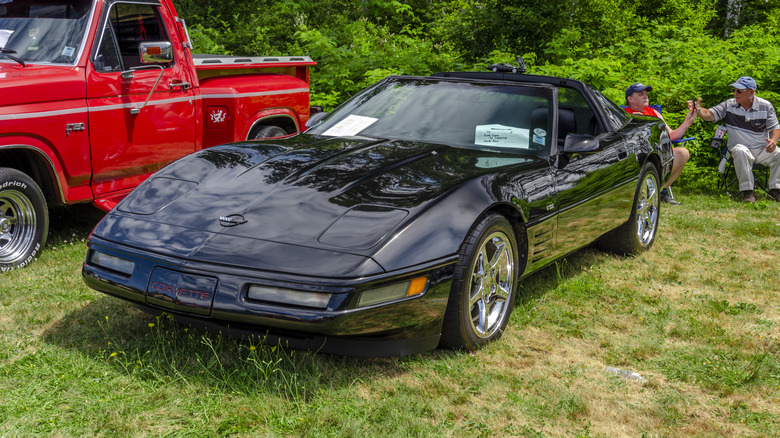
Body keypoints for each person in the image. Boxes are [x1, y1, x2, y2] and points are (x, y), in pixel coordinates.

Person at [696, 76, 780, 203]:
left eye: (739, 91)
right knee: (741, 150)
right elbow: (709, 115)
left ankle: (775, 191)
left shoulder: (765, 106)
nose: (735, 93)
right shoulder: (729, 105)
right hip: (738, 149)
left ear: (752, 92)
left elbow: (775, 128)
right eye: (734, 90)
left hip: (761, 149)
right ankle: (748, 193)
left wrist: (773, 141)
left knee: (779, 153)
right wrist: (698, 110)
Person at [624, 83, 696, 205]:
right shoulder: (623, 114)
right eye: (641, 94)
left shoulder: (653, 112)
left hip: (658, 155)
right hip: (637, 157)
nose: (645, 97)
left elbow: (671, 135)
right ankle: (641, 193)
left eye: (646, 94)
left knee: (682, 152)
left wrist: (688, 121)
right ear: (630, 99)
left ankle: (662, 191)